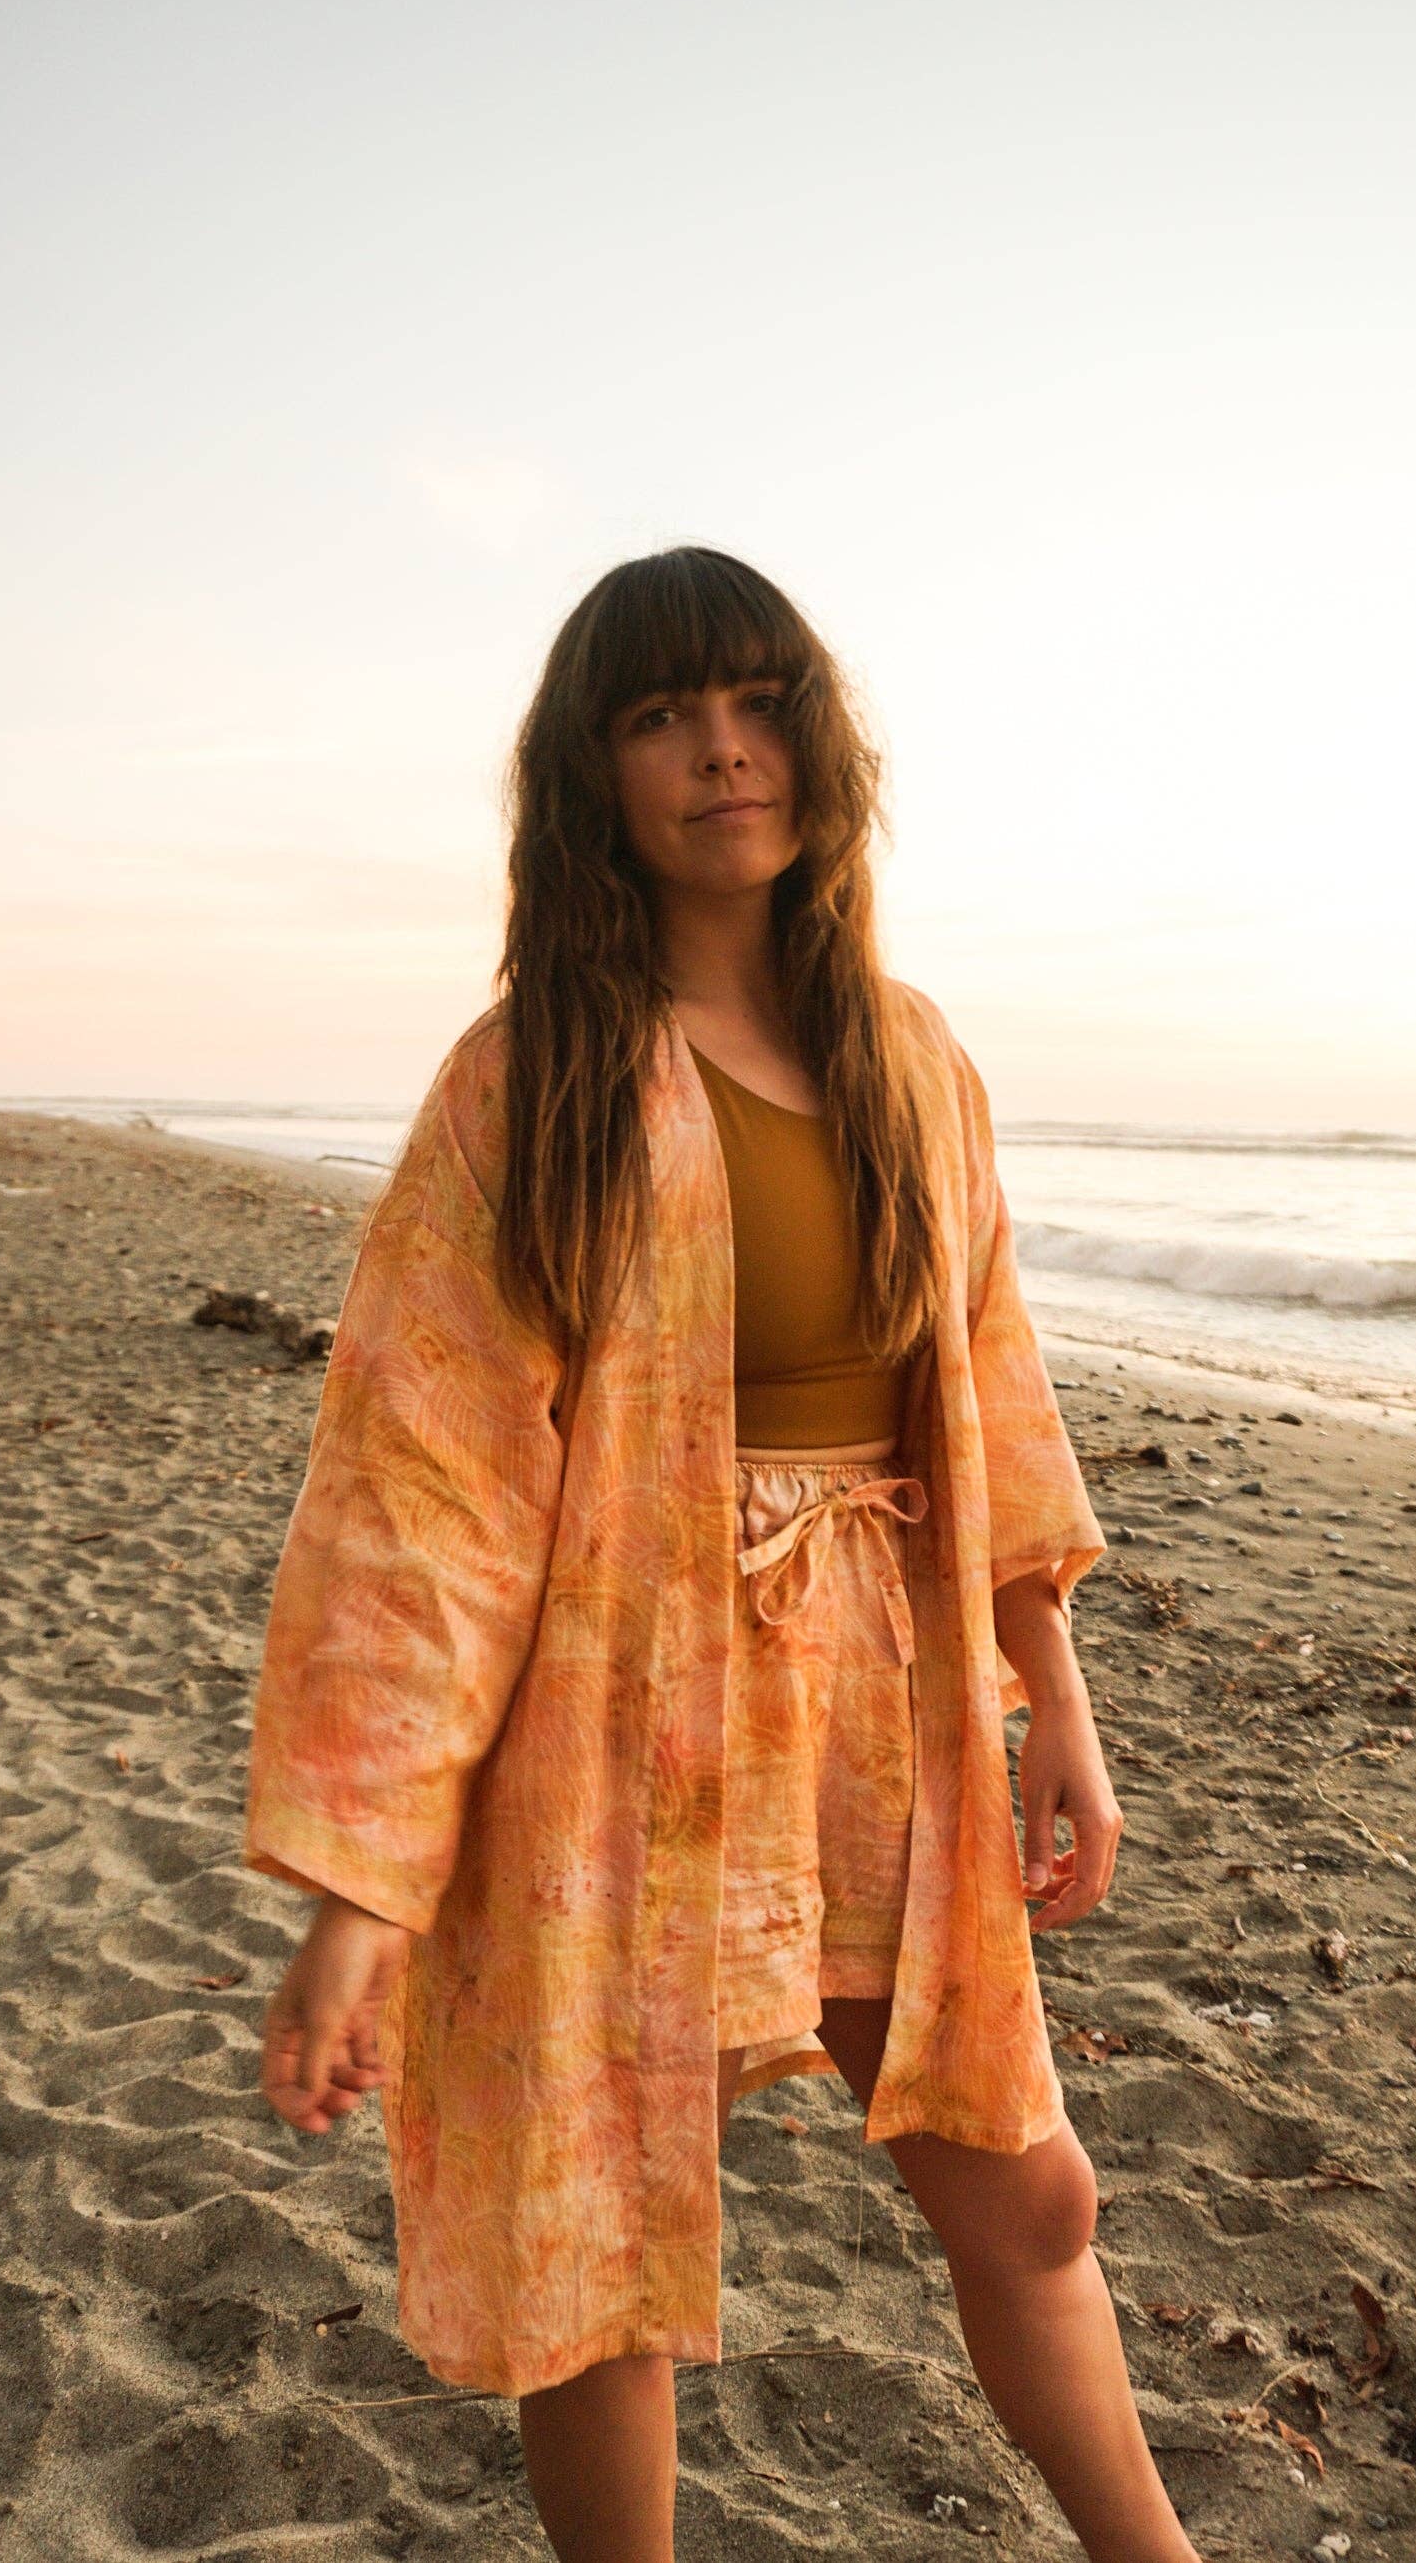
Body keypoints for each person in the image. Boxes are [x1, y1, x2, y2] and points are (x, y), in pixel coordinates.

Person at [244, 545, 1202, 2563]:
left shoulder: (911, 1057)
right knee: (599, 2234)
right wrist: (361, 1889)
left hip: (887, 1690)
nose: (721, 750)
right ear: (594, 772)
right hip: (621, 1705)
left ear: (817, 741)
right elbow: (426, 1495)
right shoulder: (533, 1080)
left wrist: (1056, 1700)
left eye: (759, 701)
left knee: (1030, 2190)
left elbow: (990, 1388)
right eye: (663, 714)